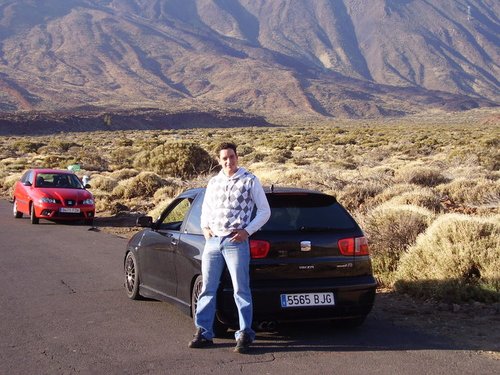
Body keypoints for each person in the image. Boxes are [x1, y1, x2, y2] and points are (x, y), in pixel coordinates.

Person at [188, 142, 271, 354]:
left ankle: (244, 334)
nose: (228, 161)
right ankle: (203, 332)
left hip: (236, 242)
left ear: (237, 157)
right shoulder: (214, 182)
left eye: (231, 157)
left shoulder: (250, 180)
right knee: (207, 288)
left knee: (240, 289)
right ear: (219, 160)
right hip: (214, 241)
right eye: (224, 158)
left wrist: (247, 231)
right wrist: (205, 228)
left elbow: (264, 211)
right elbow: (206, 208)